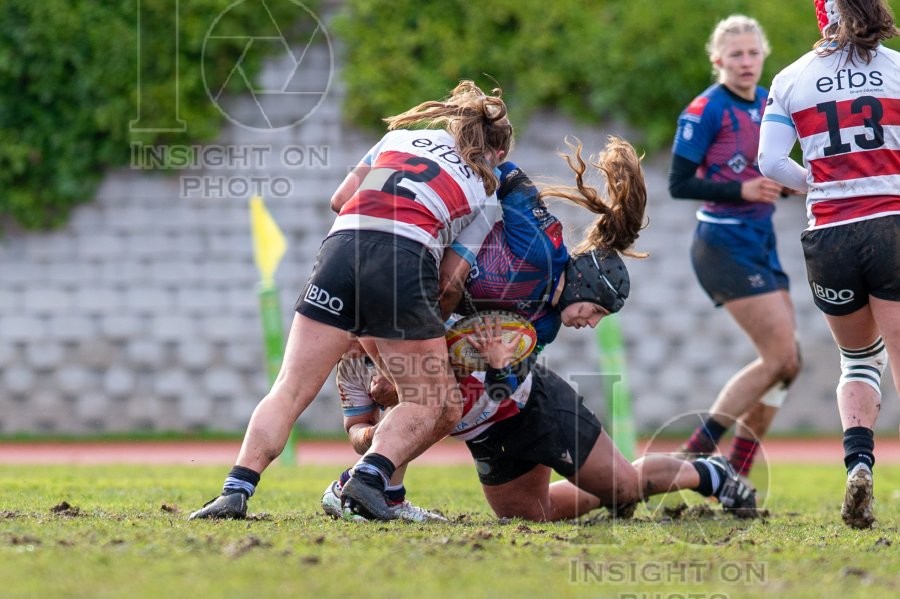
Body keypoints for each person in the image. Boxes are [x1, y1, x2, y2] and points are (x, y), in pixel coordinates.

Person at [189, 80, 514, 520]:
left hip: (340, 249)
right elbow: (450, 278)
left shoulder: (400, 139)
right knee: (432, 400)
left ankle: (234, 490)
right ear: (497, 153)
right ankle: (364, 481)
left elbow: (341, 199)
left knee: (289, 387)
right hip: (404, 259)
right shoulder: (486, 188)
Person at [758, 0, 900, 529]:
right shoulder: (897, 68)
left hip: (829, 235)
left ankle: (859, 463)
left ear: (824, 14)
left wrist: (820, 185)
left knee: (860, 361)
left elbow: (770, 163)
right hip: (892, 221)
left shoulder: (791, 76)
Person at [668, 15, 802, 481]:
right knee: (778, 356)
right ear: (718, 60)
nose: (746, 62)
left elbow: (774, 168)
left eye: (753, 53)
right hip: (721, 242)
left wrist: (788, 186)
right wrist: (742, 191)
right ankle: (691, 454)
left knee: (789, 364)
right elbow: (679, 183)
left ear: (763, 55)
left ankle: (735, 472)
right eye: (736, 54)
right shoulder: (705, 110)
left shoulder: (768, 102)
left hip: (759, 241)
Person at [319, 342, 447, 522]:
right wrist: (379, 432)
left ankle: (349, 483)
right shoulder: (349, 364)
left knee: (443, 408)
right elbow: (356, 428)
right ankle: (388, 496)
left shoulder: (404, 343)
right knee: (435, 406)